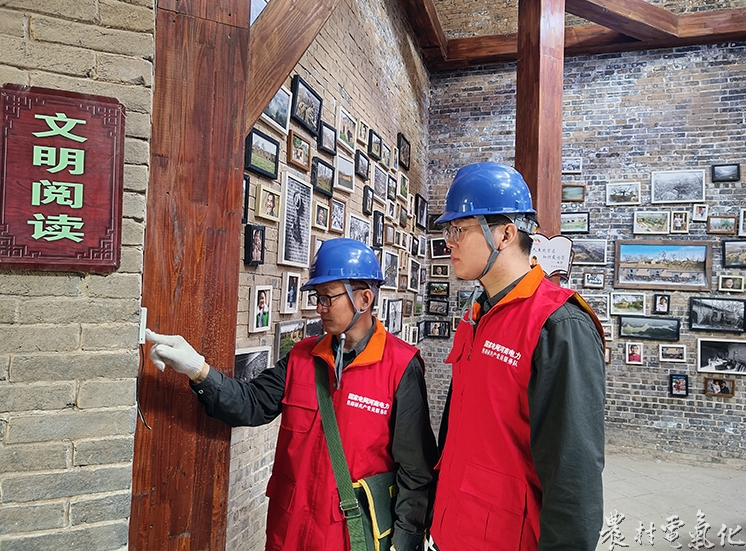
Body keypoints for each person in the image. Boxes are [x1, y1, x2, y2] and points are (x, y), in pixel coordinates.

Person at [145, 238, 438, 551]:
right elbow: (251, 404)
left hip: (351, 538)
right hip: (289, 531)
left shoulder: (400, 366)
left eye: (327, 297)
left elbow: (416, 471)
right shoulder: (302, 357)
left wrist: (405, 543)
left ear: (364, 299)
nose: (319, 307)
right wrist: (198, 369)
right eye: (317, 297)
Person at [428, 162, 606, 551]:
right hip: (455, 527)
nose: (448, 243)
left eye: (458, 230)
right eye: (447, 231)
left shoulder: (558, 324)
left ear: (506, 233)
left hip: (508, 537)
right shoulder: (478, 313)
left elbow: (573, 472)